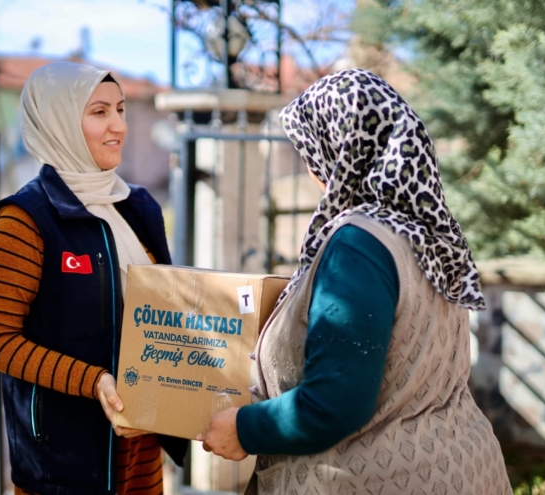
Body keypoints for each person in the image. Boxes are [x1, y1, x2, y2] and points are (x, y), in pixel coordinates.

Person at [196, 69, 512, 495]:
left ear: (339, 150)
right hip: (461, 466)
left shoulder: (359, 245)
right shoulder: (427, 233)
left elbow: (334, 404)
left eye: (310, 149)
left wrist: (243, 428)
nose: (309, 166)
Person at [0, 62, 187, 495]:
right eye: (100, 112)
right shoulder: (24, 220)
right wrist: (94, 382)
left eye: (122, 110)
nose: (120, 126)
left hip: (139, 445)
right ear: (59, 124)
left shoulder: (138, 208)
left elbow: (163, 312)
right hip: (62, 459)